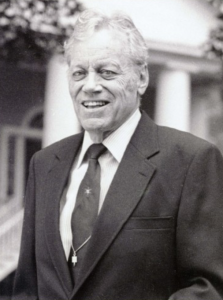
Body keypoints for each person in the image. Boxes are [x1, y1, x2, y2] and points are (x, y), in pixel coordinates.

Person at [13, 9, 223, 300]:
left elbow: (209, 287)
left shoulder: (191, 161)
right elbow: (27, 286)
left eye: (106, 72)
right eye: (79, 73)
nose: (90, 86)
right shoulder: (45, 163)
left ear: (141, 78)